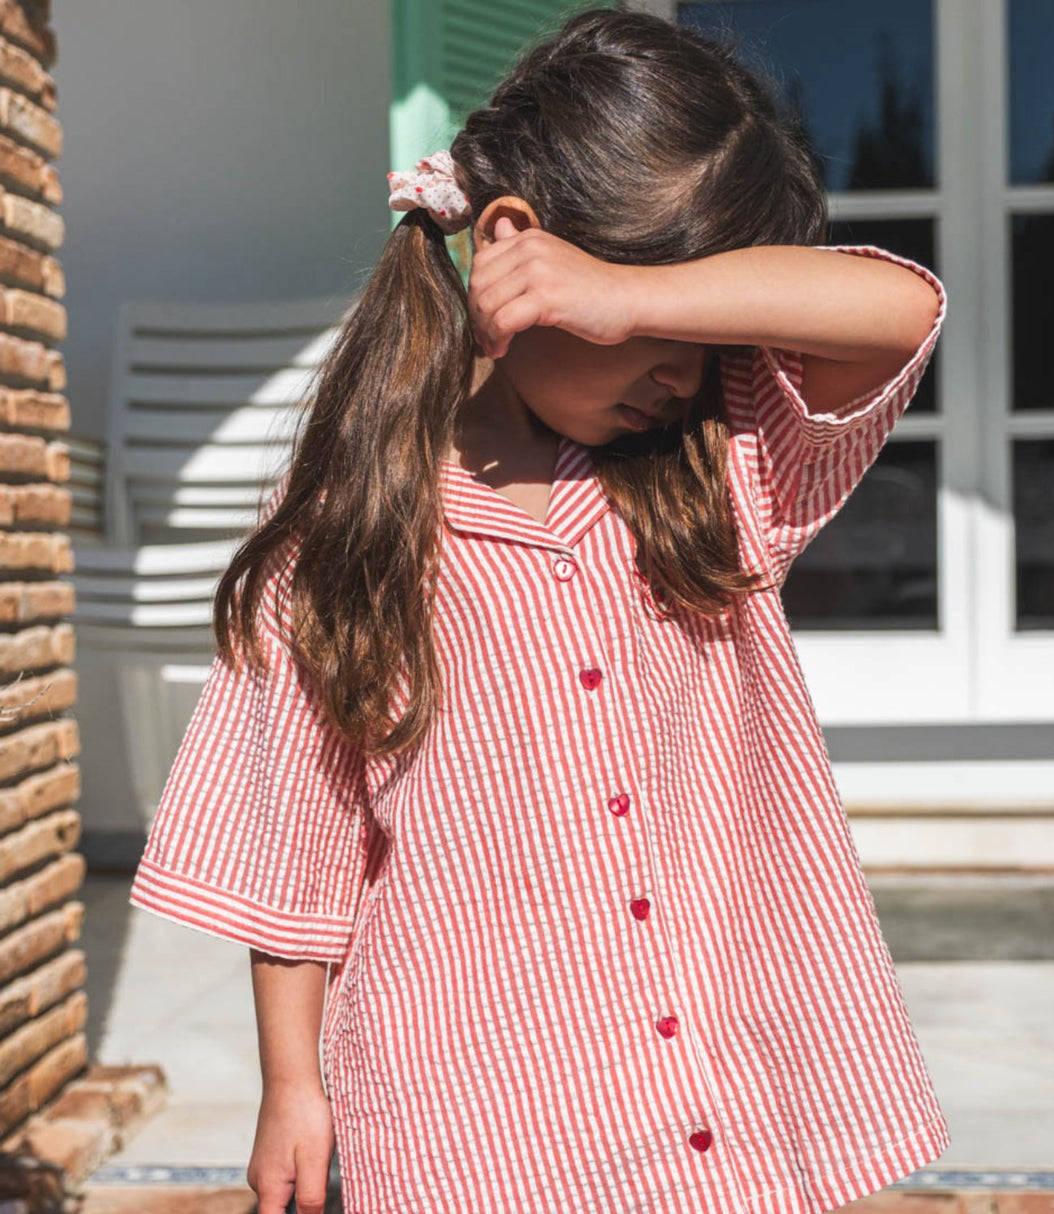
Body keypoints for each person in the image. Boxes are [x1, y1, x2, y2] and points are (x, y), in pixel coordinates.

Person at [127, 7, 950, 1213]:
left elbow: (899, 310)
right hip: (477, 1117)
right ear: (512, 240)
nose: (685, 363)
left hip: (714, 1105)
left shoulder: (717, 470)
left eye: (702, 319)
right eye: (656, 320)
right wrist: (292, 1083)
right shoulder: (349, 535)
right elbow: (293, 840)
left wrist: (633, 295)